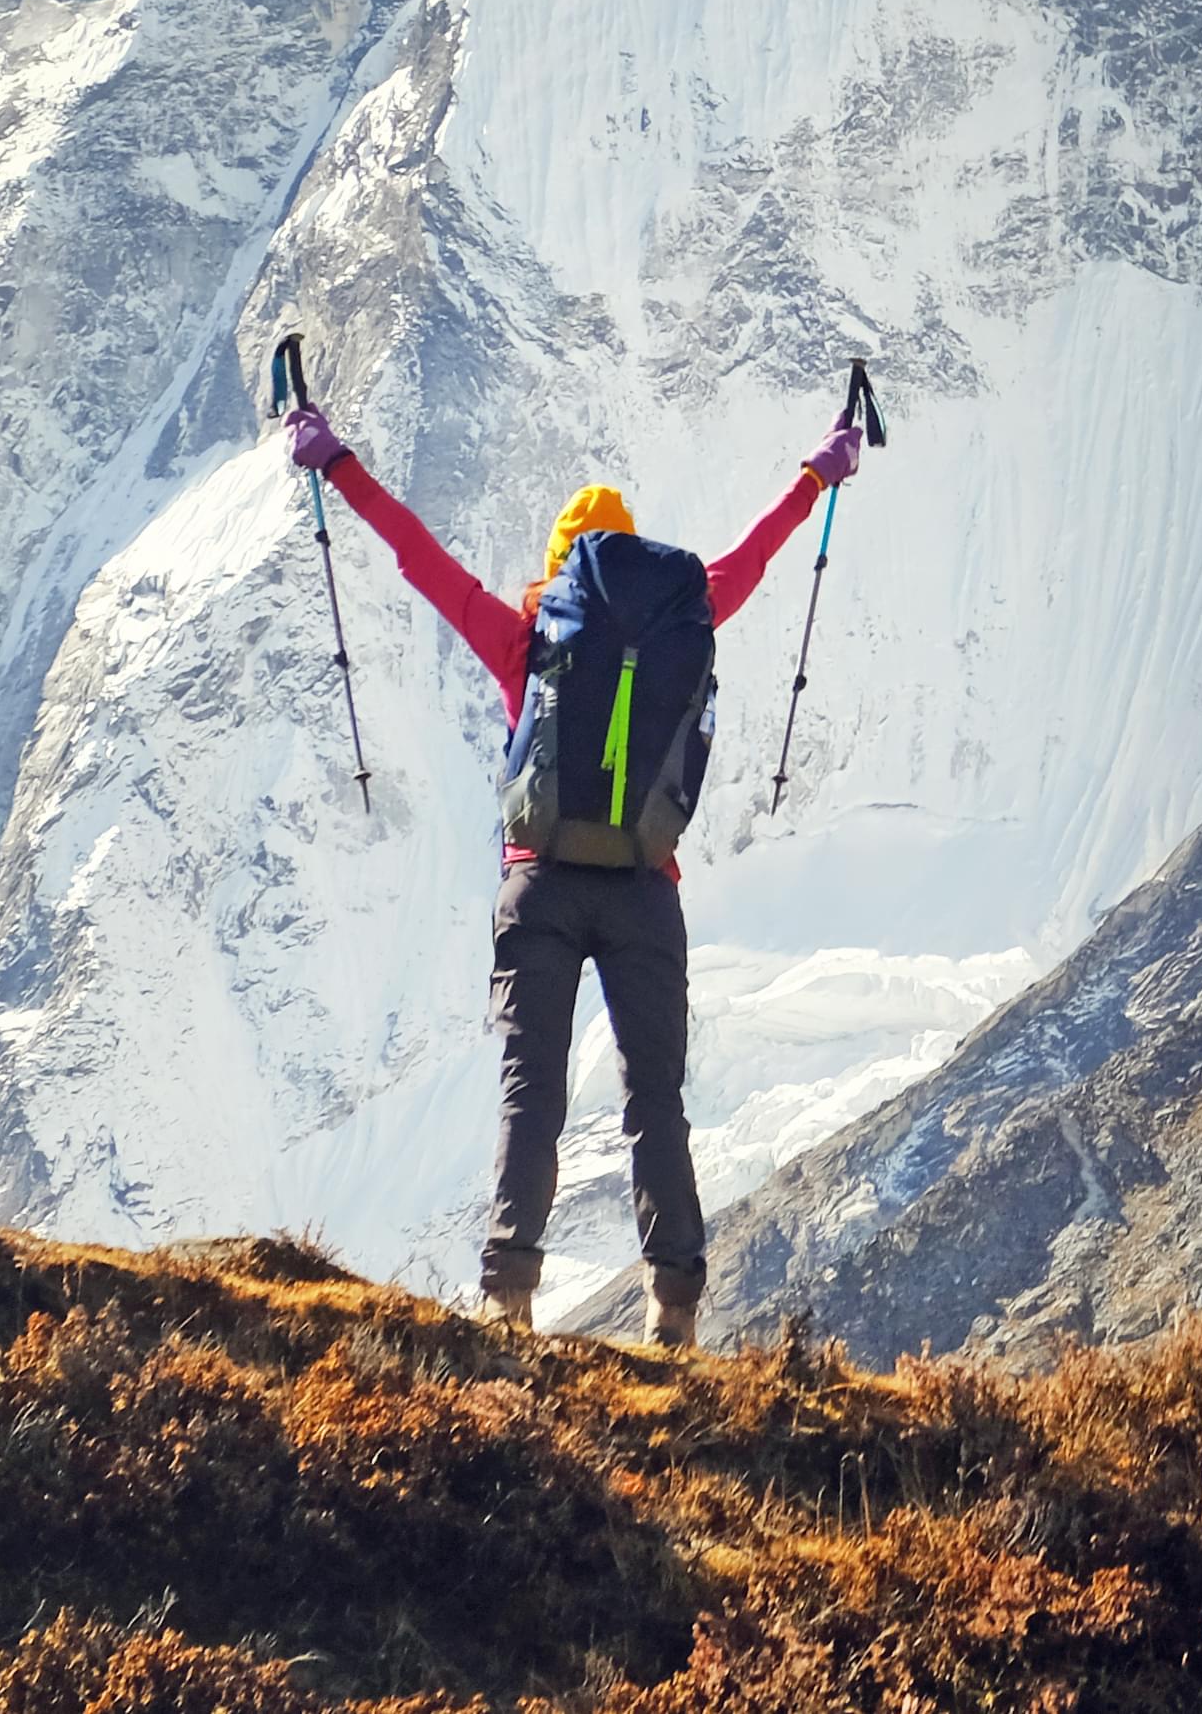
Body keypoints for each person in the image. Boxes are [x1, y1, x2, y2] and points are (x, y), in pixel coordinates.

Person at [278, 391, 862, 1344]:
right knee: (653, 1097)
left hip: (539, 883)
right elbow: (759, 550)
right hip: (643, 890)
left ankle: (507, 1291)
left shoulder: (524, 636)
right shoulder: (689, 604)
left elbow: (418, 557)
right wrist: (816, 473)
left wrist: (335, 462)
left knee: (531, 1088)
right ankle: (674, 1307)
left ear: (563, 566)